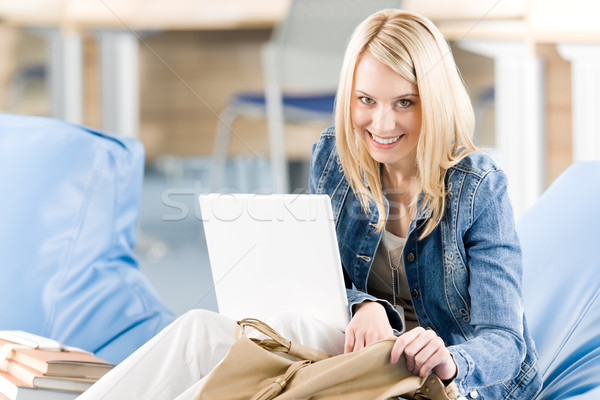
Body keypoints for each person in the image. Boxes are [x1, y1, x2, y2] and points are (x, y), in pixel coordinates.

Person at [80, 9, 542, 400]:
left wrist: (448, 361)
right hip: (355, 354)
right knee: (202, 327)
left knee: (287, 326)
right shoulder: (337, 158)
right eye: (366, 100)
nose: (381, 122)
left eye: (405, 102)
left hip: (444, 384)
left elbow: (506, 343)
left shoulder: (479, 186)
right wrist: (365, 306)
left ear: (435, 103)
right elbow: (321, 280)